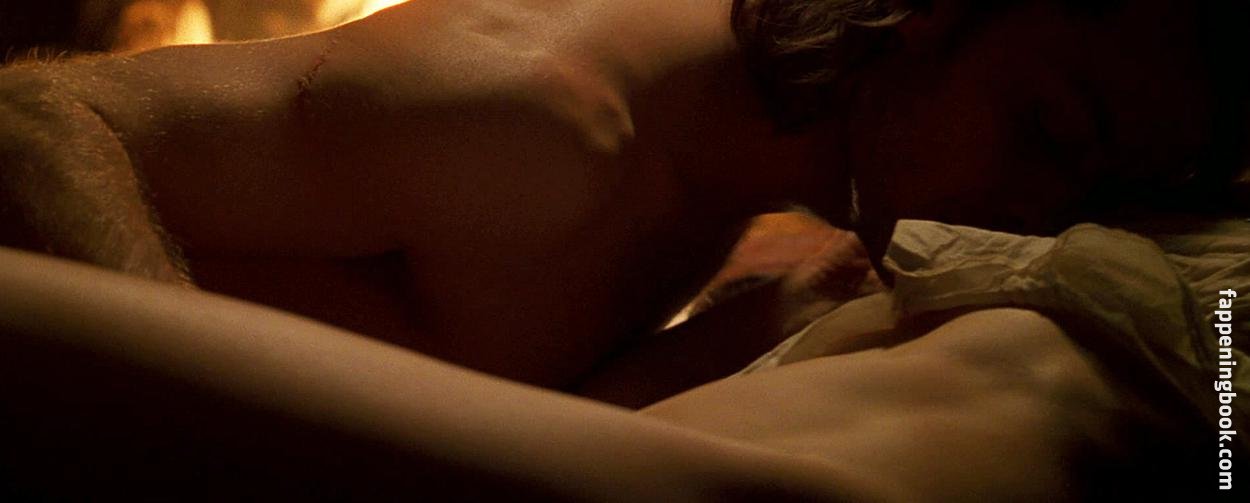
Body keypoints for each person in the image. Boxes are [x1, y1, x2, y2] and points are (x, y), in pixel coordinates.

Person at [1, 0, 1246, 498]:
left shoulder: (723, 193)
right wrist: (162, 400)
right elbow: (35, 117)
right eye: (1046, 131)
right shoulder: (533, 113)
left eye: (1098, 184)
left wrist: (738, 330)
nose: (1043, 209)